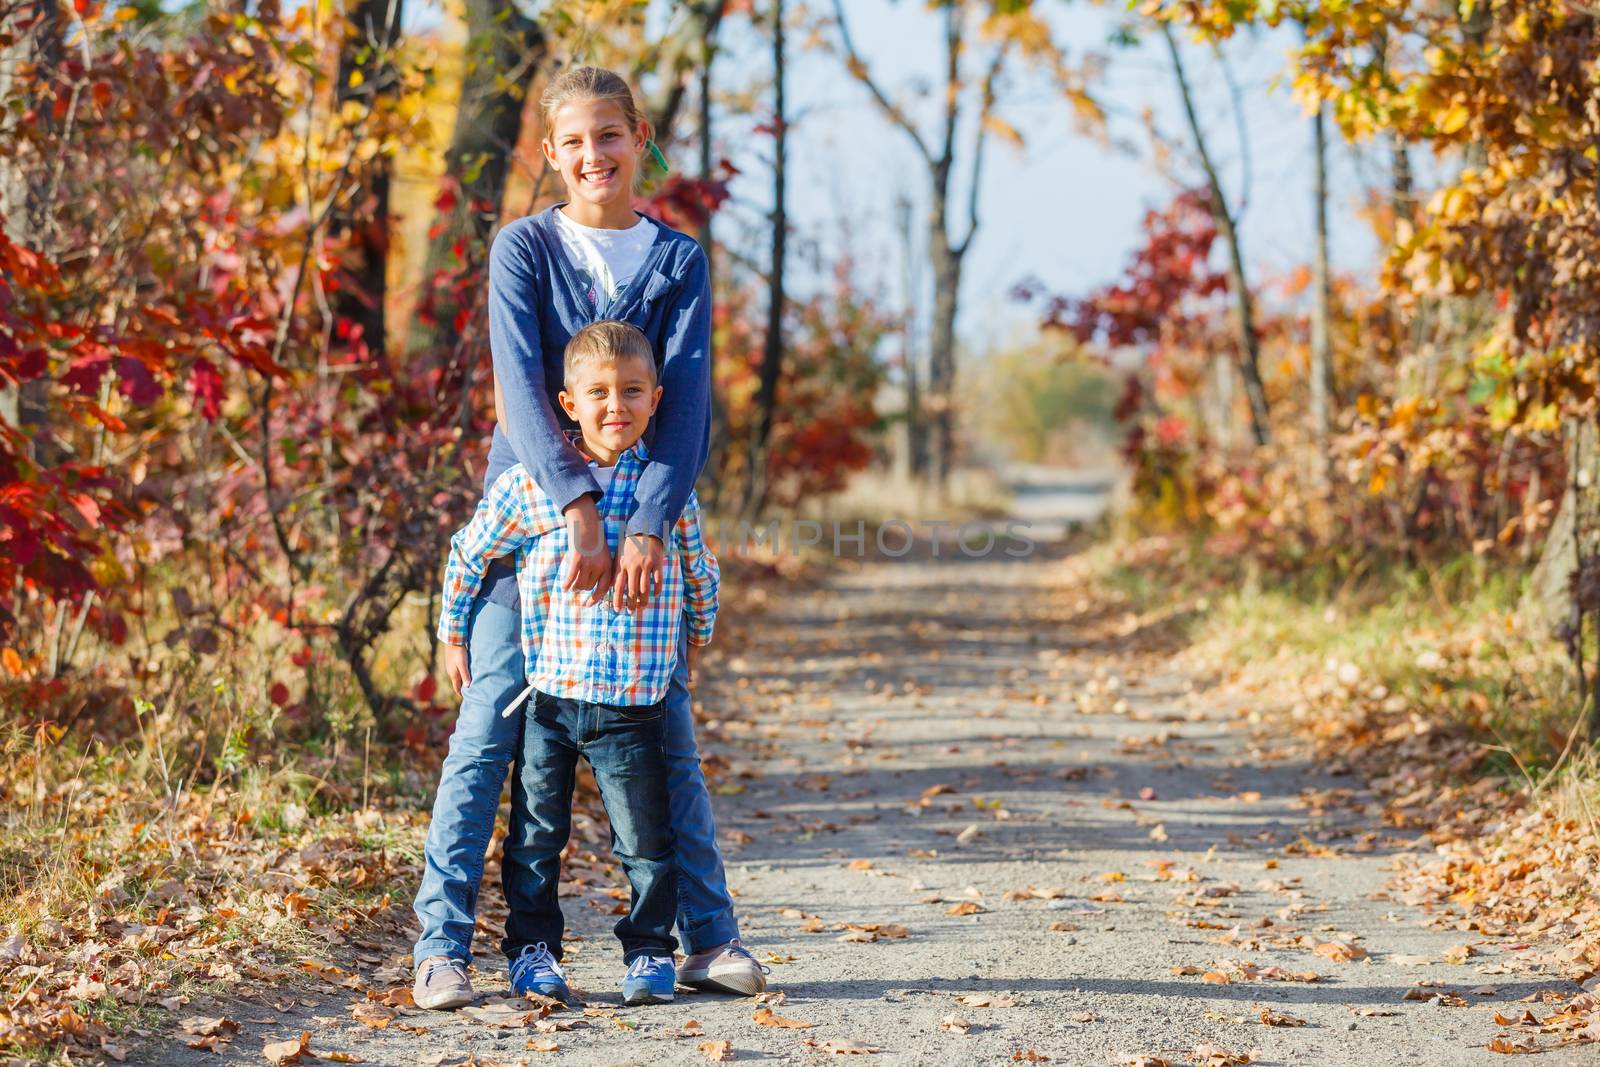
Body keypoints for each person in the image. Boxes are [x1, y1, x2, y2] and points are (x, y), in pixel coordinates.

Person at [410, 65, 765, 1009]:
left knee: (667, 731)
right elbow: (522, 393)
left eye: (611, 135)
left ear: (639, 137)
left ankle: (706, 937)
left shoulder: (678, 260)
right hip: (530, 516)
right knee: (490, 722)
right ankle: (441, 944)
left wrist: (645, 521)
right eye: (574, 141)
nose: (594, 155)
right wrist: (577, 511)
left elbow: (684, 407)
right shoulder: (524, 249)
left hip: (644, 517)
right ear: (551, 154)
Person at [426, 321, 714, 1006]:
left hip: (633, 703)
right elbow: (469, 551)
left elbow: (700, 569)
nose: (617, 405)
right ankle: (532, 951)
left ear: (657, 399)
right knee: (535, 837)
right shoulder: (536, 487)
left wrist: (698, 635)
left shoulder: (666, 491)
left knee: (646, 840)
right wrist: (452, 632)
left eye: (633, 391)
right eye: (600, 393)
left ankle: (649, 952)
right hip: (548, 700)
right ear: (568, 402)